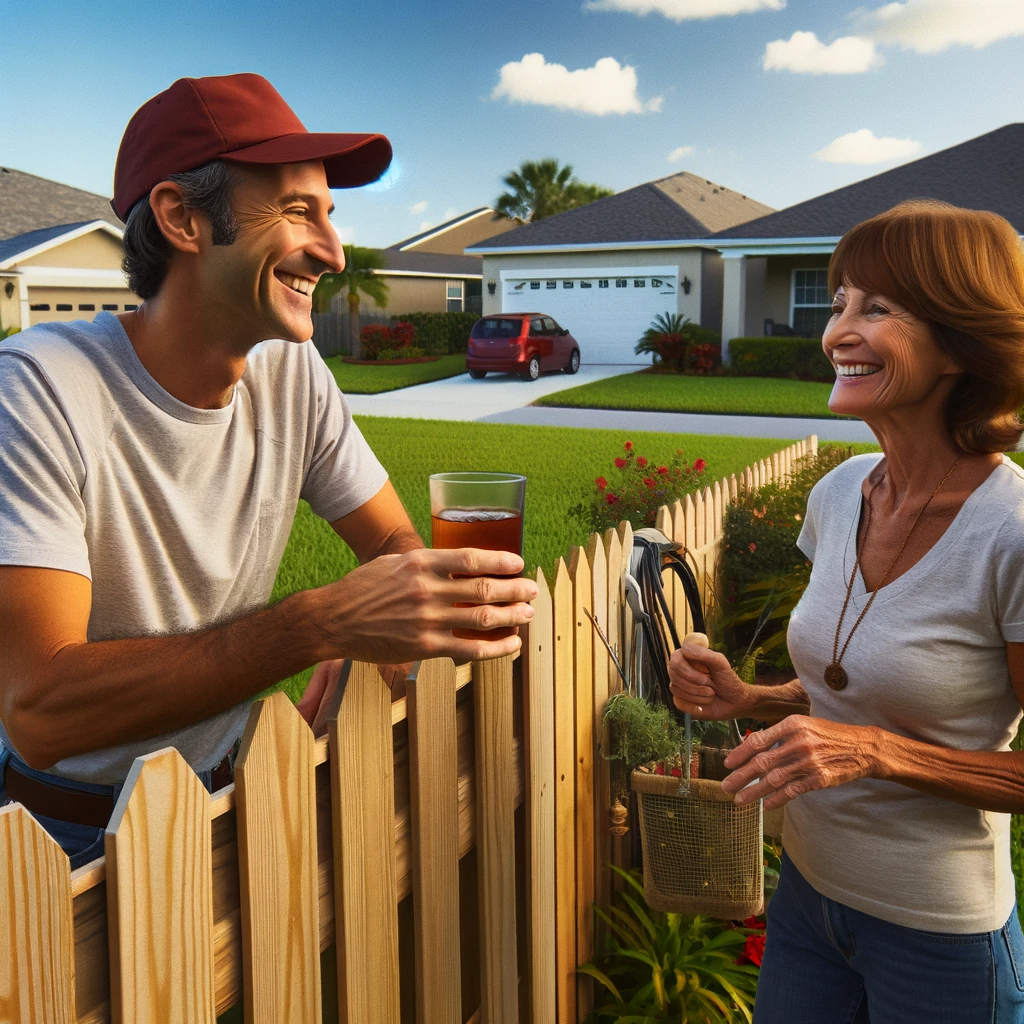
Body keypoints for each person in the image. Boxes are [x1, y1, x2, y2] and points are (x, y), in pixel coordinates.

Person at [0, 74, 536, 869]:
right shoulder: (39, 385)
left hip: (225, 797)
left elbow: (389, 535)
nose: (332, 250)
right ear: (184, 217)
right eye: (296, 212)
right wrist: (317, 624)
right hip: (64, 839)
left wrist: (374, 637)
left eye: (329, 214)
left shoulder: (293, 371)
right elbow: (41, 711)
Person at [669, 200, 1024, 1022]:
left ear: (960, 343)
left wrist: (875, 752)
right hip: (807, 905)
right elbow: (851, 687)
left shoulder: (1009, 532)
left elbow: (870, 733)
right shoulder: (838, 494)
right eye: (838, 304)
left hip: (941, 942)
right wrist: (749, 699)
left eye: (878, 308)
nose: (837, 333)